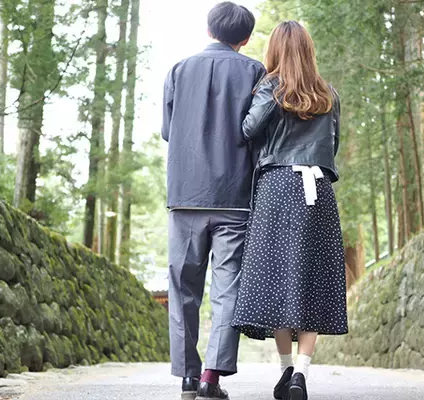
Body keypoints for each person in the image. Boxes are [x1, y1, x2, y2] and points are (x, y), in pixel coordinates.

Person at [231, 21, 348, 400]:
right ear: (308, 51)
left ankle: (285, 369)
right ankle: (300, 374)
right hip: (318, 189)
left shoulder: (271, 87)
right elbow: (333, 145)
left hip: (277, 187)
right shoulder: (328, 93)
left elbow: (249, 129)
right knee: (313, 280)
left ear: (276, 50)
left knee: (276, 279)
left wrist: (266, 93)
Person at [161, 2, 266, 400]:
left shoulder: (179, 69)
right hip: (235, 196)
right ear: (246, 38)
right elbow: (258, 130)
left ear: (209, 30)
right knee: (227, 287)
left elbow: (168, 130)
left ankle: (187, 377)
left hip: (185, 194)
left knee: (183, 287)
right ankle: (210, 377)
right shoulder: (255, 71)